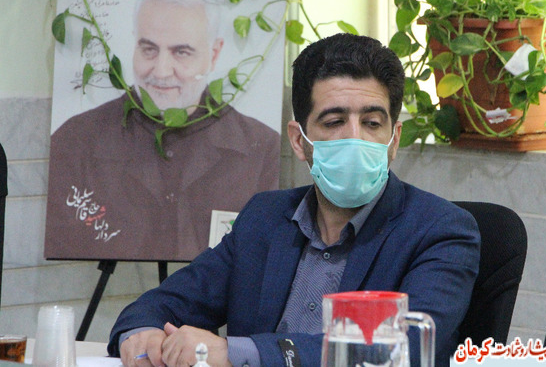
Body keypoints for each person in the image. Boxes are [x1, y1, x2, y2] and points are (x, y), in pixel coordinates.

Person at [107, 33, 481, 366]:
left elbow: (404, 349)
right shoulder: (265, 217)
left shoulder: (440, 231)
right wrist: (144, 335)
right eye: (334, 122)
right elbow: (159, 306)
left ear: (394, 139)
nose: (355, 138)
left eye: (372, 123)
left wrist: (235, 354)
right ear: (299, 140)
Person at [45, 0, 280, 262]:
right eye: (149, 49)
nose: (161, 70)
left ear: (213, 55)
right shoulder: (75, 141)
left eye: (181, 52)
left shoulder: (260, 148)